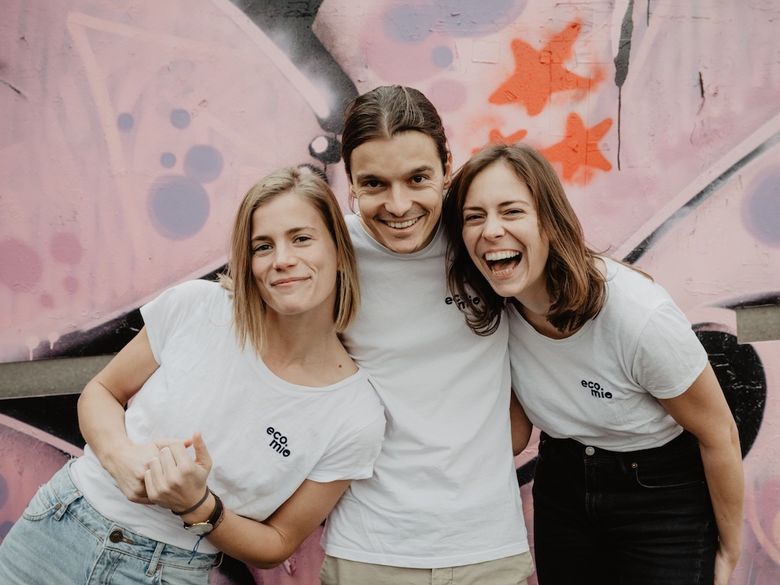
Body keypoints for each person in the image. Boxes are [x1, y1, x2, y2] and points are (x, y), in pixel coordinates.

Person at [0, 167, 385, 584]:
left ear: (340, 251)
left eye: (302, 238)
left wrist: (199, 506)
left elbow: (277, 543)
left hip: (165, 571)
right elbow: (102, 392)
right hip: (58, 527)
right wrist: (123, 459)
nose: (283, 260)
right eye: (262, 246)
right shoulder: (197, 307)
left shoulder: (354, 415)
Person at [442, 143, 744, 585]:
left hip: (659, 493)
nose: (491, 230)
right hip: (563, 484)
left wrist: (730, 549)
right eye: (474, 216)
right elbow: (514, 433)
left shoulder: (637, 316)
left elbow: (718, 432)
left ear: (549, 221)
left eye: (511, 211)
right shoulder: (494, 311)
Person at [319, 86, 533, 585]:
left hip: (487, 545)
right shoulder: (329, 256)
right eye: (373, 184)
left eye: (418, 179)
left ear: (446, 168)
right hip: (370, 550)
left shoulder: (485, 240)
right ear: (349, 181)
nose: (398, 205)